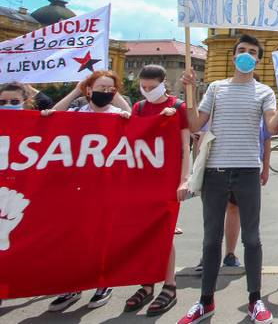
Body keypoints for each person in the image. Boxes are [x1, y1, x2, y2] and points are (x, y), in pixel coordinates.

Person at [177, 34, 278, 324]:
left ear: (259, 60)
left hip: (248, 171)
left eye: (252, 51)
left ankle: (255, 300)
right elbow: (193, 124)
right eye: (242, 50)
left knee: (252, 240)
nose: (246, 54)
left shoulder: (264, 92)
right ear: (234, 54)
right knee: (211, 240)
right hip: (215, 171)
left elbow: (273, 127)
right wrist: (189, 91)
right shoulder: (216, 88)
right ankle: (205, 301)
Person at [43, 70, 132, 312]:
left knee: (102, 235)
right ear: (89, 90)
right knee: (74, 237)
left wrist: (117, 98)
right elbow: (51, 115)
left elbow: (135, 122)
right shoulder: (77, 113)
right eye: (99, 87)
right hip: (76, 186)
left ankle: (103, 282)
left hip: (107, 186)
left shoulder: (118, 115)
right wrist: (76, 90)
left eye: (109, 88)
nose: (105, 92)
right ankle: (73, 285)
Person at [121, 65, 192, 316]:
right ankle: (147, 283)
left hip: (167, 180)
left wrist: (185, 180)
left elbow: (186, 146)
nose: (147, 91)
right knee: (145, 232)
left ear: (163, 84)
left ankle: (169, 285)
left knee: (165, 233)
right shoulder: (139, 108)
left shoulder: (179, 107)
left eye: (152, 87)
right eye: (144, 87)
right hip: (143, 180)